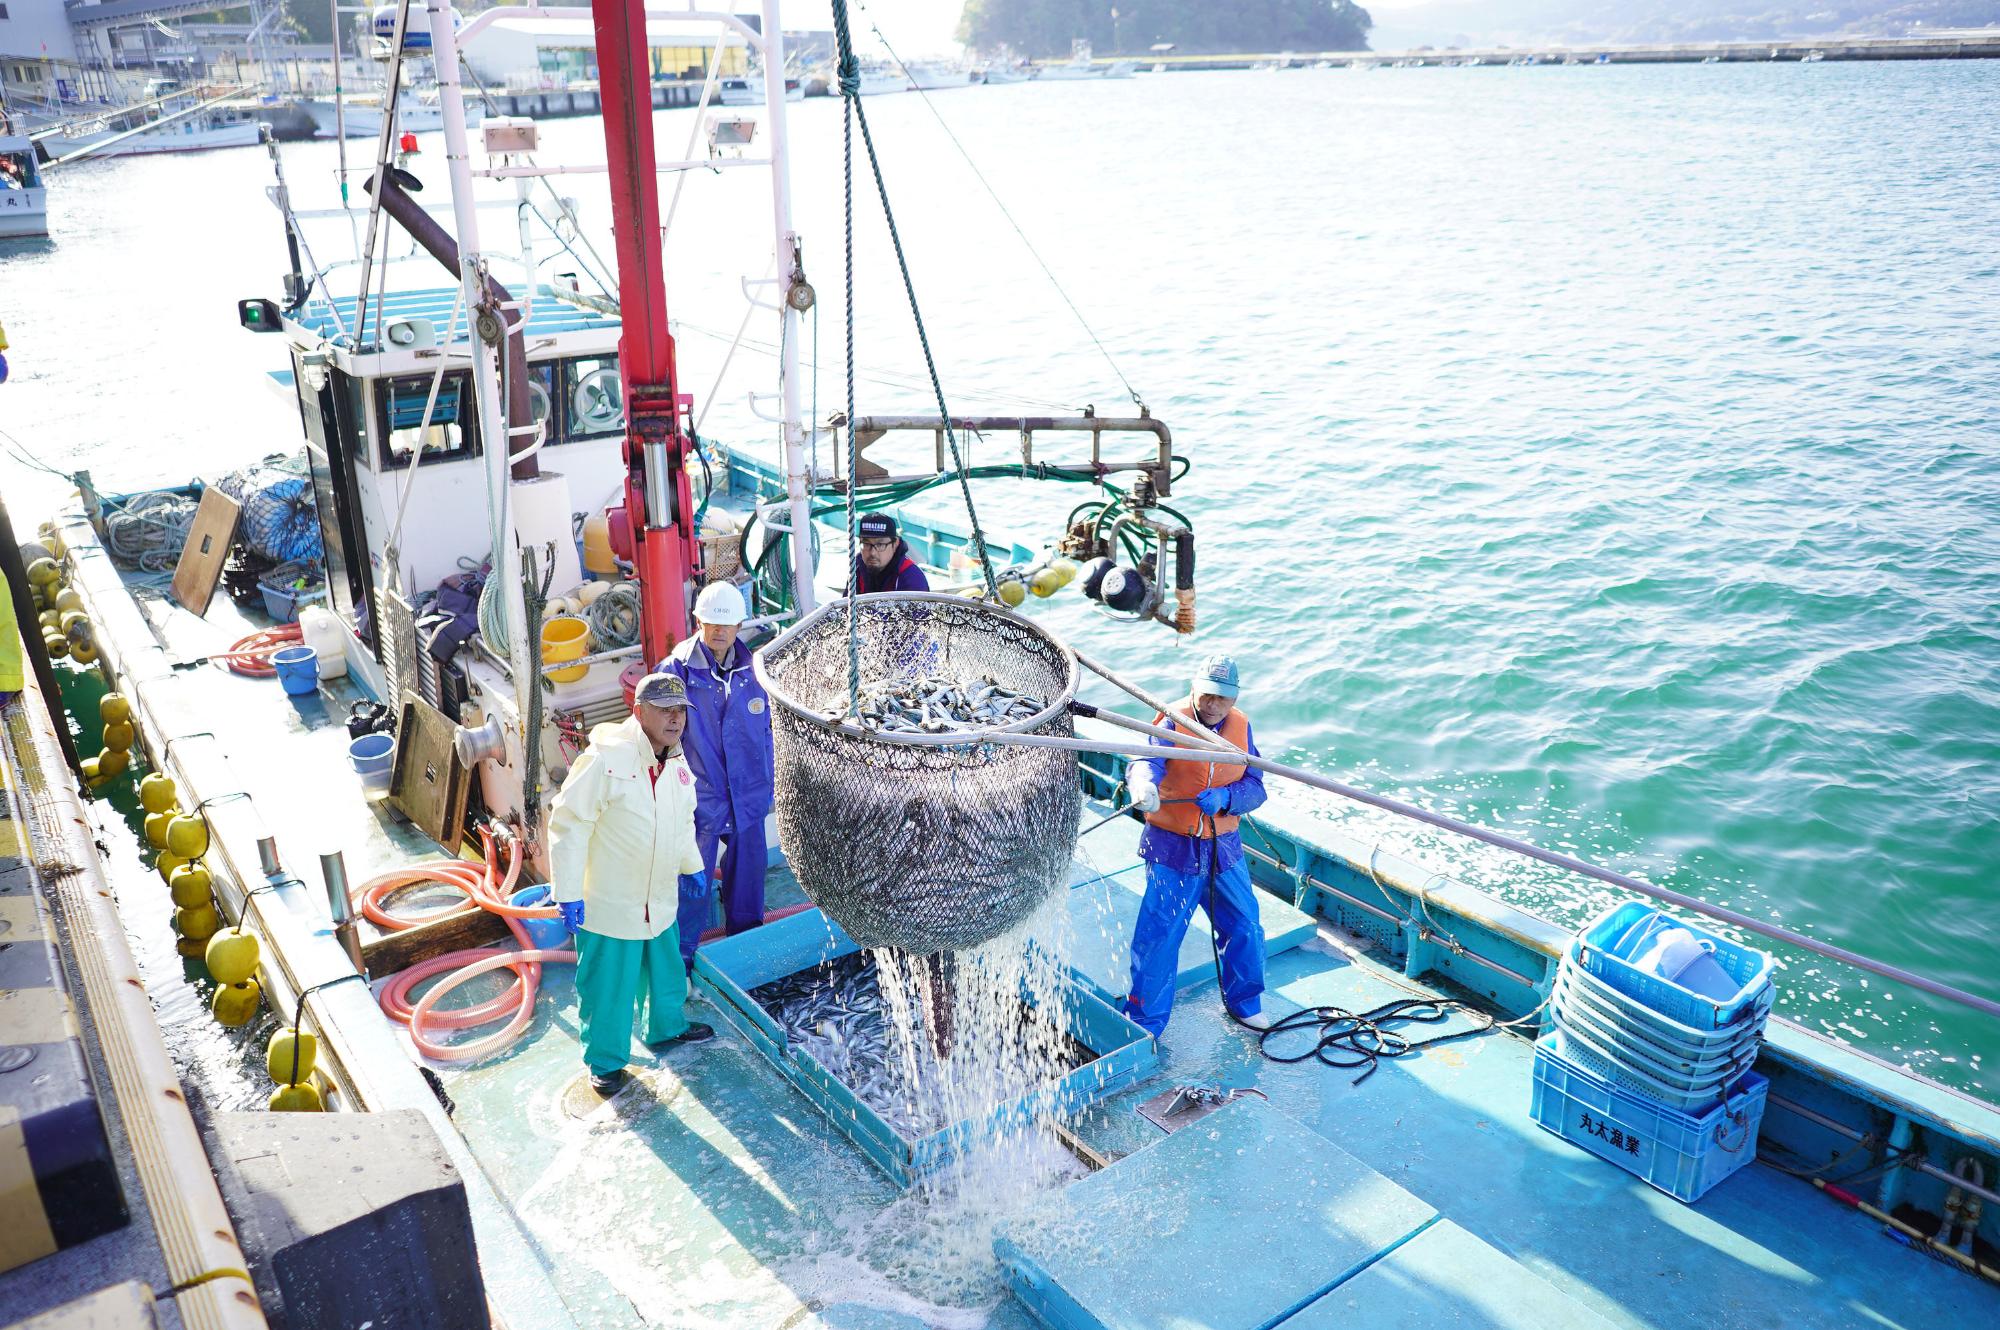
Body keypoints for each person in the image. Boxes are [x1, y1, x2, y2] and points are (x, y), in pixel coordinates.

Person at [548, 672, 715, 1095]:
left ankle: (667, 1028)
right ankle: (605, 1062)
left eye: (680, 710)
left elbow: (683, 820)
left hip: (658, 899)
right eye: (664, 710)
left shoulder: (675, 760)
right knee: (608, 987)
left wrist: (691, 864)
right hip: (611, 903)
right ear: (638, 711)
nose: (675, 719)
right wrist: (567, 893)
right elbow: (568, 824)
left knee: (667, 973)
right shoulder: (605, 759)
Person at [1121, 654, 1269, 1038]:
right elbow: (1145, 760)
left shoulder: (1242, 727)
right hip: (1174, 849)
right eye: (1207, 695)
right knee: (1159, 936)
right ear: (1194, 689)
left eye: (1222, 697)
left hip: (1224, 847)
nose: (1213, 704)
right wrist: (1143, 786)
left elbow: (1257, 787)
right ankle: (1144, 1020)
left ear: (1234, 699)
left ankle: (1246, 1004)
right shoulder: (1172, 719)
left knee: (1246, 926)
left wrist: (1228, 797)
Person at [662, 580, 774, 969]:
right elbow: (656, 734)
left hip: (749, 798)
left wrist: (766, 786)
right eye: (711, 623)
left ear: (740, 624)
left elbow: (770, 733)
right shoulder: (675, 669)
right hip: (700, 800)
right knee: (691, 884)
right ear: (698, 621)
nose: (719, 632)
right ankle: (681, 962)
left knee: (748, 882)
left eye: (726, 625)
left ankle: (745, 953)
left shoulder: (756, 670)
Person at [850, 512, 929, 594]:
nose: (872, 552)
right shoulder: (857, 566)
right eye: (866, 544)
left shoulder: (912, 578)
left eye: (880, 545)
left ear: (895, 544)